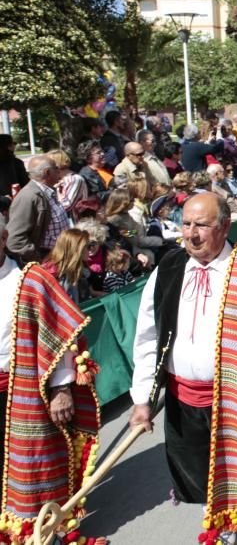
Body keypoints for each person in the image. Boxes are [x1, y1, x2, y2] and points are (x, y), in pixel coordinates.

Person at [129, 193, 237, 545]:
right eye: (186, 224)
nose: (190, 234)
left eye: (201, 226)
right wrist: (142, 398)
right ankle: (222, 522)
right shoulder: (168, 269)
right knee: (201, 474)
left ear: (225, 227)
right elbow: (147, 337)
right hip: (183, 400)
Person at [0, 216, 103, 543]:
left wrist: (60, 389)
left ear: (3, 238)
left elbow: (59, 337)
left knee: (36, 465)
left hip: (24, 390)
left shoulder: (29, 280)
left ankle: (48, 530)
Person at [6, 155, 69, 265]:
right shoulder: (29, 196)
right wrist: (38, 259)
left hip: (58, 256)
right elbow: (15, 239)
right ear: (47, 172)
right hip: (47, 260)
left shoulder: (46, 191)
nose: (59, 170)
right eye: (56, 168)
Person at [41, 227, 94, 305]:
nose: (90, 249)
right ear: (76, 250)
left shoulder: (75, 268)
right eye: (87, 246)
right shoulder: (53, 275)